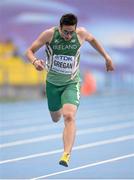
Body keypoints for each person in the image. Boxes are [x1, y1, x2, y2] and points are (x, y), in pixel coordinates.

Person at [26, 13, 114, 167]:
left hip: (71, 83)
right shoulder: (49, 34)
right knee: (56, 118)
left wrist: (106, 57)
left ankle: (66, 154)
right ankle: (59, 106)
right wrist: (35, 62)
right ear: (59, 28)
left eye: (71, 32)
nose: (68, 35)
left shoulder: (81, 34)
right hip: (52, 84)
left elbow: (92, 40)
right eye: (65, 32)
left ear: (75, 29)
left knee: (69, 116)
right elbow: (29, 51)